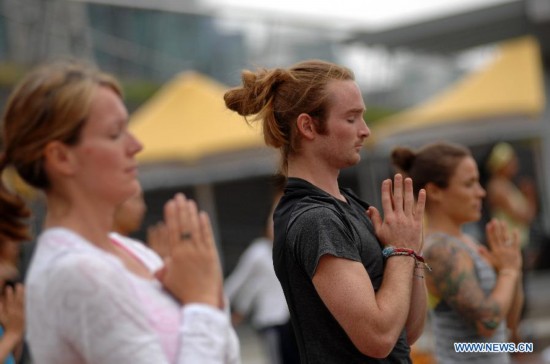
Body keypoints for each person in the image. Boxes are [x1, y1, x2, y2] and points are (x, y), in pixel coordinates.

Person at [0, 60, 240, 363]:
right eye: (115, 134)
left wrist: (201, 295)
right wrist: (204, 300)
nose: (136, 145)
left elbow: (227, 351)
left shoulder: (132, 252)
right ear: (61, 158)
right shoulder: (77, 271)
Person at [224, 59, 427, 363]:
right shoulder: (315, 219)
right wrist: (402, 250)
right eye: (351, 119)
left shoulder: (348, 205)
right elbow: (378, 338)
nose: (365, 131)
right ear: (307, 126)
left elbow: (407, 331)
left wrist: (411, 256)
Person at [391, 141, 523, 363]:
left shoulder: (467, 242)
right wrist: (509, 272)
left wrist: (511, 271)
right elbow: (488, 322)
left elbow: (507, 324)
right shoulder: (440, 250)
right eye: (469, 184)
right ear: (435, 191)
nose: (480, 192)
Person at [224, 192, 299, 364]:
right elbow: (239, 281)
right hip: (272, 321)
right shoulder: (258, 251)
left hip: (294, 321)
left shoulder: (293, 249)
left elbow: (257, 287)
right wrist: (217, 304)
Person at [485, 142, 538, 267]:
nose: (515, 164)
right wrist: (530, 196)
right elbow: (524, 216)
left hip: (515, 243)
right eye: (511, 161)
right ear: (502, 164)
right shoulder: (498, 187)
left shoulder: (506, 185)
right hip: (509, 244)